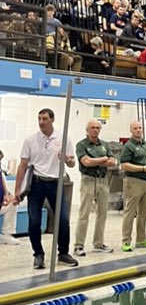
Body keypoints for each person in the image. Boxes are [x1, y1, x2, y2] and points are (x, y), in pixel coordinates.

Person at [12, 108, 78, 269]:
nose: (41, 122)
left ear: (52, 120)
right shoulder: (31, 139)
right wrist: (17, 190)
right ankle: (38, 254)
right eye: (39, 118)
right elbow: (22, 165)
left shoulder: (63, 138)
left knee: (63, 220)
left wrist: (67, 159)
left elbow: (72, 162)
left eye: (45, 119)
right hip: (36, 184)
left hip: (56, 183)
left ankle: (63, 253)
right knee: (34, 222)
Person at [73, 119, 117, 256]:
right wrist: (103, 159)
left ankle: (98, 243)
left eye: (98, 128)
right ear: (87, 130)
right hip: (88, 180)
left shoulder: (104, 145)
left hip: (103, 181)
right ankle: (78, 245)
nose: (95, 130)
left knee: (103, 213)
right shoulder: (81, 145)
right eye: (92, 127)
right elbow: (86, 162)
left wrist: (96, 161)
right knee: (84, 213)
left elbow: (113, 162)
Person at [119, 121, 146, 252]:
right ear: (131, 130)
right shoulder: (128, 146)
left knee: (145, 212)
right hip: (133, 181)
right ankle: (126, 241)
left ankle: (141, 239)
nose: (138, 130)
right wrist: (143, 168)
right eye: (135, 128)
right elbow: (124, 165)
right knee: (130, 212)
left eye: (140, 128)